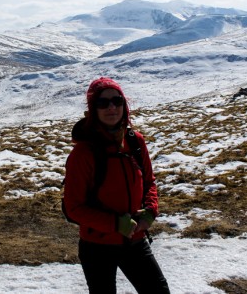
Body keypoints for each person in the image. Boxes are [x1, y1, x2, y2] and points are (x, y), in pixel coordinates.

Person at [63, 77, 170, 294]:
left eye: (117, 101)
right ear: (93, 109)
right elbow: (74, 208)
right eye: (103, 103)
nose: (112, 107)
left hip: (134, 240)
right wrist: (115, 224)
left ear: (124, 105)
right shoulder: (83, 153)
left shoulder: (135, 141)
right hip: (97, 246)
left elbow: (149, 182)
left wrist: (150, 211)